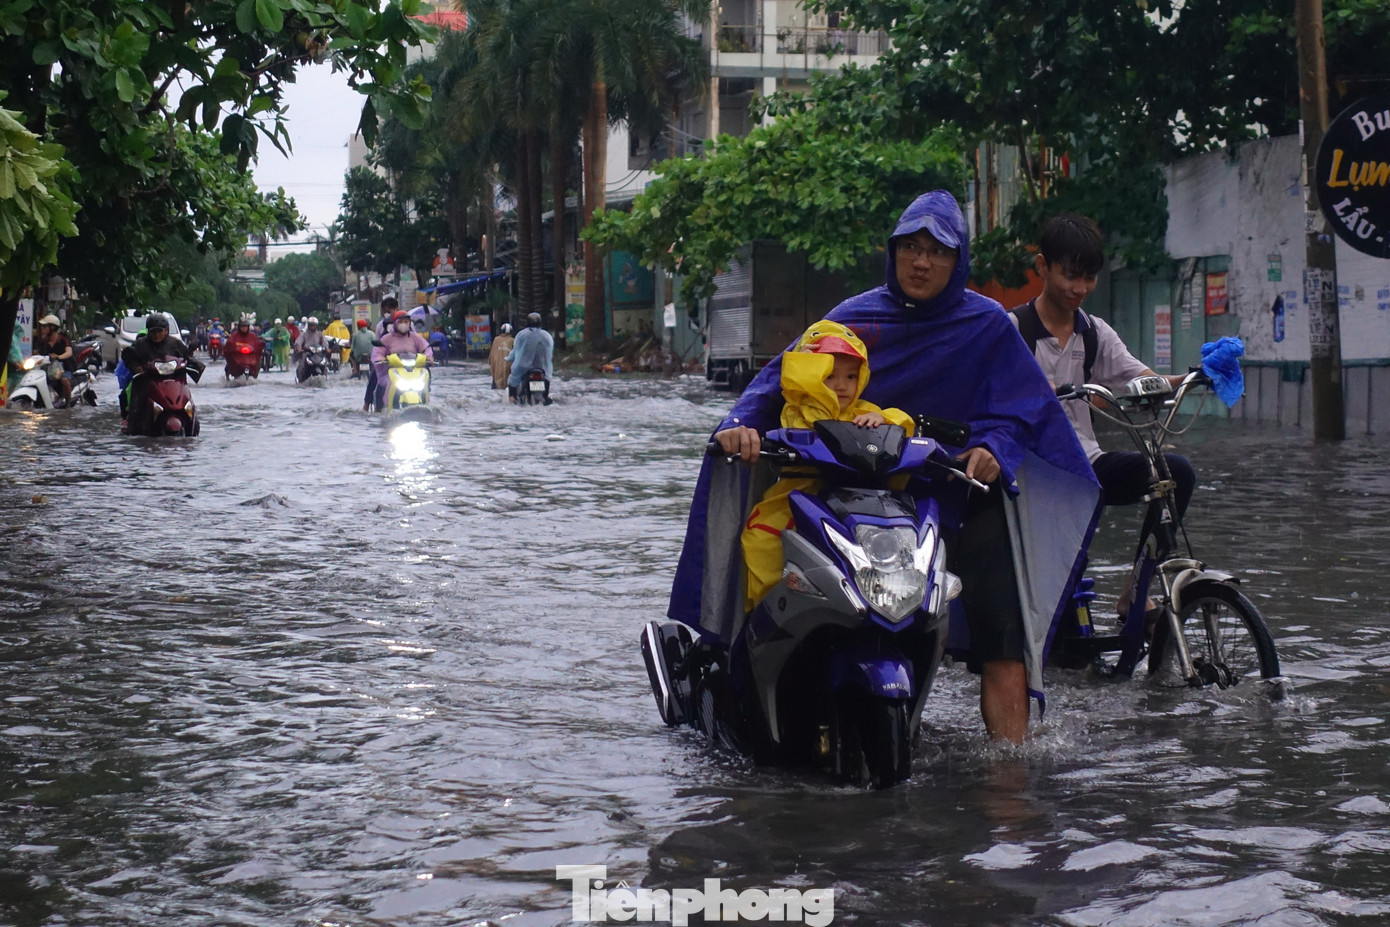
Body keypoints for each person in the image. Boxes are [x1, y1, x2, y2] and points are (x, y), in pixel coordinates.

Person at [689, 190, 1099, 744]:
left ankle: (1010, 773)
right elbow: (777, 384)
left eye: (937, 251)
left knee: (1004, 642)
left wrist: (994, 449)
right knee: (795, 581)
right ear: (893, 252)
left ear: (959, 261)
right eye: (911, 248)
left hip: (960, 492)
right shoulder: (853, 319)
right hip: (859, 494)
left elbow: (1024, 409)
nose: (921, 262)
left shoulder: (987, 325)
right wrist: (738, 426)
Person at [1009, 214, 1195, 620]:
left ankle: (1136, 591)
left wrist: (1195, 377)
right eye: (1070, 276)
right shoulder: (1012, 330)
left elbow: (1143, 379)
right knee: (1060, 613)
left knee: (1175, 474)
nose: (1080, 289)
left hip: (1087, 464)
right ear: (1042, 267)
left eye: (1089, 278)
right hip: (1029, 476)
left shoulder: (1095, 333)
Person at [740, 321, 915, 610]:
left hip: (859, 502)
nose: (841, 385)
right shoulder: (799, 409)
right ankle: (770, 609)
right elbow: (804, 419)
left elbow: (901, 423)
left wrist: (884, 421)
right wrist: (804, 371)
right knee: (762, 538)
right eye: (828, 375)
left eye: (851, 375)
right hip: (797, 498)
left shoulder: (865, 411)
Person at [122, 314, 202, 433]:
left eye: (160, 331)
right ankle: (135, 426)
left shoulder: (175, 344)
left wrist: (192, 364)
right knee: (137, 403)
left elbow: (186, 356)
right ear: (148, 331)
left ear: (166, 330)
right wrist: (137, 367)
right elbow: (128, 356)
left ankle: (190, 424)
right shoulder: (140, 345)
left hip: (174, 383)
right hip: (148, 382)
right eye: (153, 331)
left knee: (187, 403)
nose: (157, 335)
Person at [371, 310, 432, 409]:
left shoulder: (415, 337)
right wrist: (380, 358)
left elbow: (426, 348)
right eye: (400, 322)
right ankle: (382, 408)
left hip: (413, 371)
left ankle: (426, 404)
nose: (404, 324)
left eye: (406, 322)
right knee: (384, 384)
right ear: (395, 323)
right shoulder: (387, 338)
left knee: (425, 380)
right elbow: (378, 352)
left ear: (410, 323)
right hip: (391, 371)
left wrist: (428, 356)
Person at [506, 312, 554, 404]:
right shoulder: (547, 335)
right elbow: (550, 351)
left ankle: (512, 398)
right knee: (547, 377)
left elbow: (515, 351)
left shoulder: (521, 335)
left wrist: (508, 358)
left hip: (523, 367)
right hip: (543, 367)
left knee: (512, 379)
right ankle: (545, 396)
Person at [363, 297, 399, 411]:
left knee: (425, 372)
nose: (387, 314)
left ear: (396, 309)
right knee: (374, 378)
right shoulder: (381, 325)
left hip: (405, 360)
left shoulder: (407, 323)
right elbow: (377, 345)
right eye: (385, 312)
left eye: (389, 311)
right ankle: (366, 405)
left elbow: (416, 342)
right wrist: (379, 358)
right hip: (386, 361)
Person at [34, 314, 74, 406]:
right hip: (48, 368)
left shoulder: (63, 338)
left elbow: (69, 352)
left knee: (65, 380)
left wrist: (58, 357)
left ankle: (67, 404)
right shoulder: (44, 341)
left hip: (64, 368)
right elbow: (39, 352)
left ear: (52, 327)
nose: (42, 329)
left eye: (44, 326)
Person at [489, 322, 515, 390]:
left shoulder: (496, 340)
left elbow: (491, 356)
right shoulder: (512, 340)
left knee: (496, 387)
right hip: (509, 368)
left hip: (497, 369)